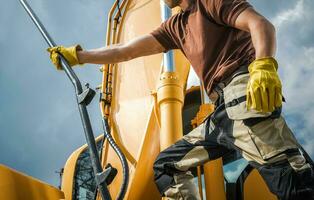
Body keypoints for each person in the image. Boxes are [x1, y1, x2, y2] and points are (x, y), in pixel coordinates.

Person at [47, 0, 314, 199]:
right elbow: (124, 51)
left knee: (293, 183)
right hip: (222, 112)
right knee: (166, 166)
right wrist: (79, 56)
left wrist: (264, 64)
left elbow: (260, 24)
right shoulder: (175, 27)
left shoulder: (210, 2)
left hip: (244, 94)